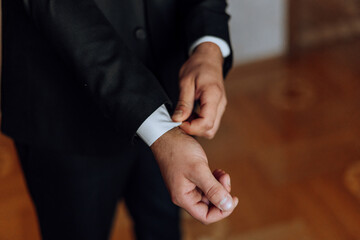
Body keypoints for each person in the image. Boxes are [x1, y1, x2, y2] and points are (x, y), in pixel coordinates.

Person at [1, 0, 238, 239]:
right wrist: (161, 132)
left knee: (163, 227)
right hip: (65, 115)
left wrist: (209, 46)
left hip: (168, 90)